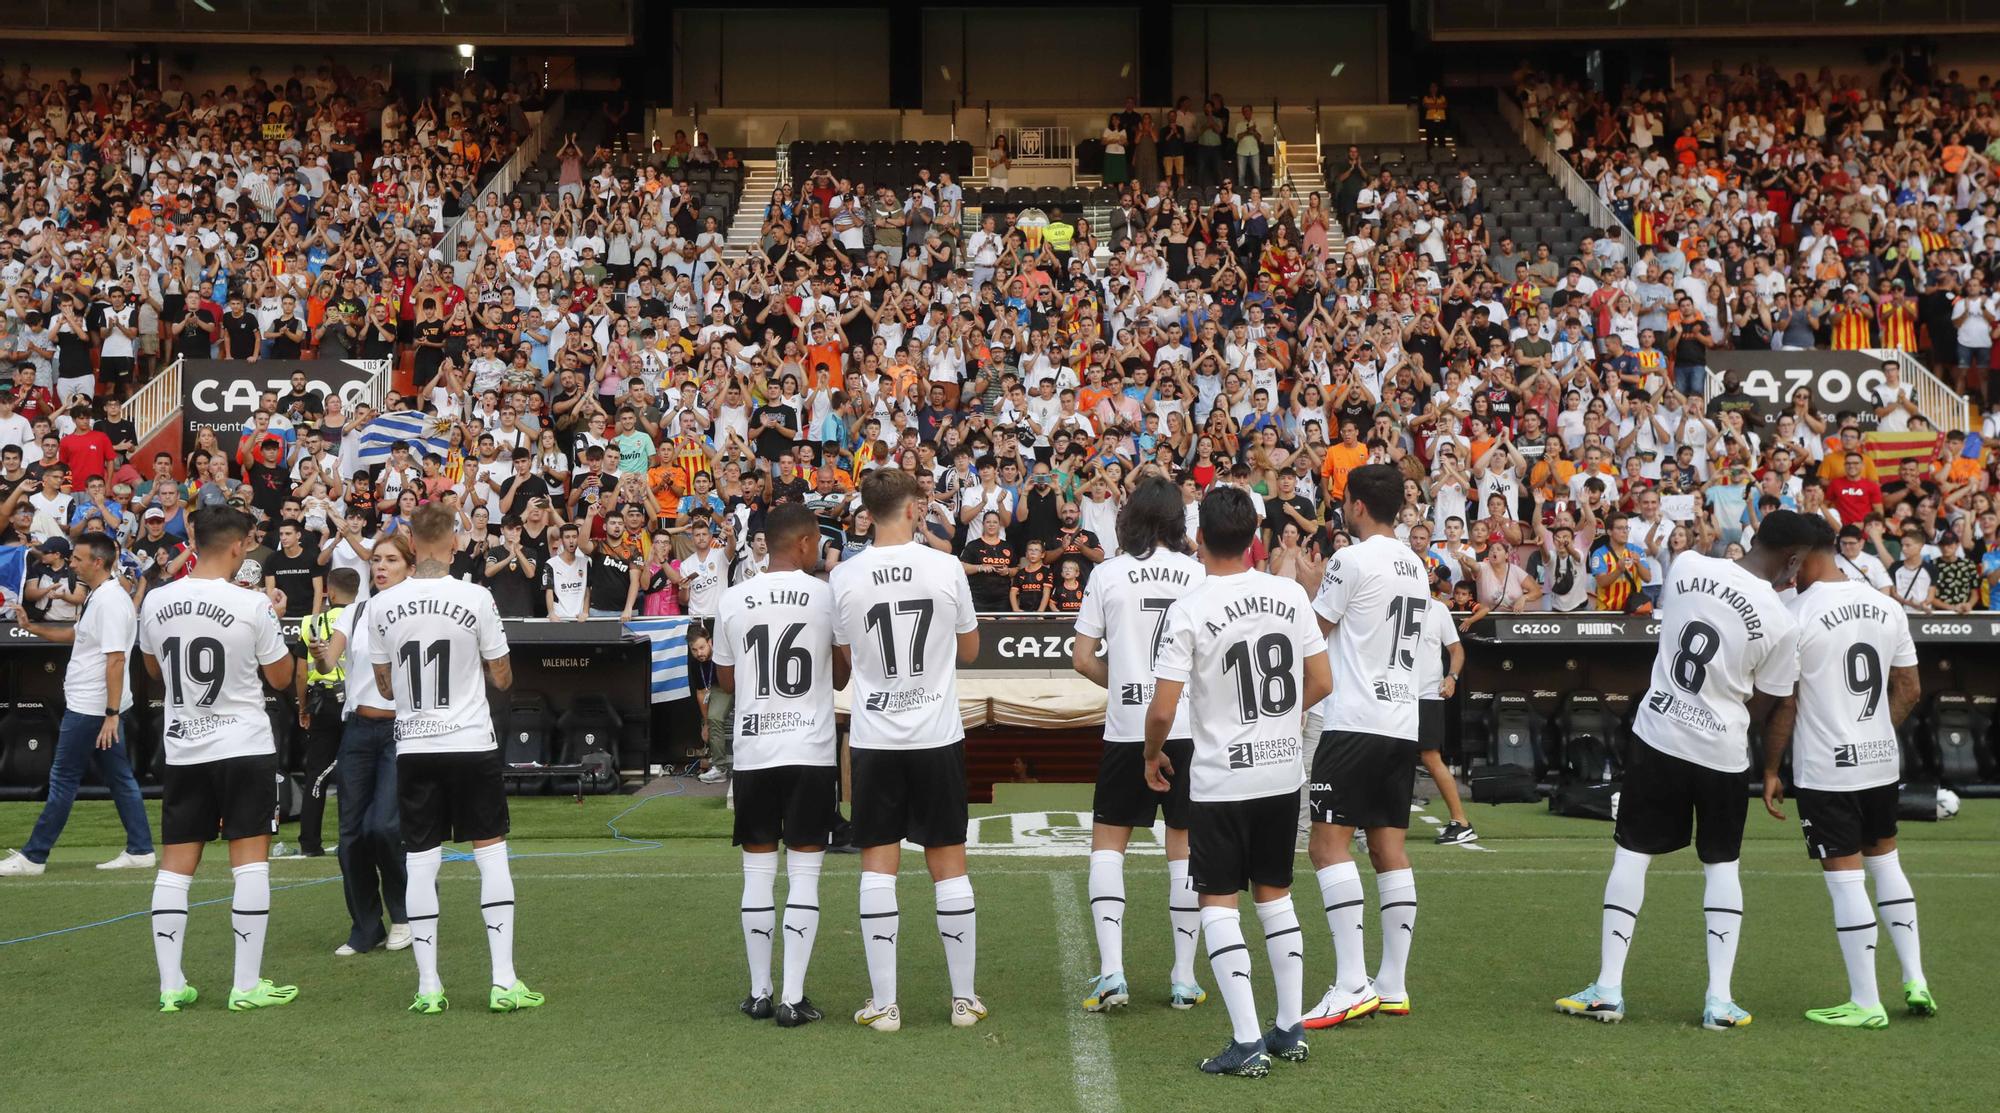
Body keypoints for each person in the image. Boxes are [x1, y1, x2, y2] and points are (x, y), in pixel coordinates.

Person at [1557, 510, 1821, 1030]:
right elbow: (1768, 702)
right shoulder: (1782, 621)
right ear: (1792, 560)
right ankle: (1719, 1001)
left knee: (1632, 855)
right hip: (1722, 750)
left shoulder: (1687, 566)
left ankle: (1608, 988)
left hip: (1659, 734)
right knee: (1722, 866)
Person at [1144, 485, 1332, 1077]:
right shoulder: (1289, 594)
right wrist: (1283, 720)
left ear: (1198, 538)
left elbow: (1162, 708)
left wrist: (1151, 754)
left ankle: (1248, 1041)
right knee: (1276, 894)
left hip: (1223, 776)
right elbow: (1322, 680)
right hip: (1281, 770)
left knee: (1219, 901)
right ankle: (1290, 1028)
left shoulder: (1190, 607)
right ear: (1256, 536)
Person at [369, 502, 541, 1015]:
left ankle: (428, 987)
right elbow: (502, 676)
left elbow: (385, 686)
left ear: (411, 544)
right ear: (453, 543)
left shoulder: (382, 605)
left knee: (421, 861)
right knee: (490, 854)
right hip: (469, 741)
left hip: (415, 745)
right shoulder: (476, 597)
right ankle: (503, 980)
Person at [1763, 525, 1933, 1029]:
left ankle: (1866, 1001)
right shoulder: (1886, 605)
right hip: (1880, 761)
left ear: (1801, 556)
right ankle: (1916, 979)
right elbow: (1910, 689)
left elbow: (1786, 703)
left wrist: (1770, 769)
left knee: (1845, 879)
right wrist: (1874, 731)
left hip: (1827, 768)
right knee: (1887, 862)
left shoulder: (1796, 613)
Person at [832, 469, 983, 1032]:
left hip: (875, 737)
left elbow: (845, 662)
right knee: (949, 864)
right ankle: (963, 1000)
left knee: (878, 865)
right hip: (936, 734)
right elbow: (970, 650)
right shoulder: (945, 567)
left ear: (867, 513)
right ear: (916, 508)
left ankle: (885, 1004)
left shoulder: (844, 575)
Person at [134, 509, 298, 1012]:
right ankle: (245, 985)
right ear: (237, 547)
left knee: (175, 868)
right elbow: (280, 678)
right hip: (243, 745)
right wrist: (273, 619)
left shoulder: (157, 600)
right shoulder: (252, 604)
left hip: (185, 747)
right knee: (249, 865)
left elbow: (153, 668)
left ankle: (171, 985)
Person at [1071, 476, 1209, 1013]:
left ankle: (1112, 973)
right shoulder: (1197, 574)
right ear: (1177, 519)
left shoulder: (1107, 573)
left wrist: (1129, 684)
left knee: (1109, 847)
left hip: (1129, 726)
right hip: (1189, 725)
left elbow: (1082, 658)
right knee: (1185, 850)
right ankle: (1183, 978)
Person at [1302, 463, 1431, 1026]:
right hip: (1400, 721)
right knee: (1387, 849)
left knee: (1326, 847)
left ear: (1356, 504)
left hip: (1354, 720)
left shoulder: (1350, 560)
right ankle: (1392, 984)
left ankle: (1352, 983)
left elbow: (1314, 633)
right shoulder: (1415, 564)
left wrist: (1310, 584)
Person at [712, 504, 848, 1028]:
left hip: (755, 750)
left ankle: (759, 992)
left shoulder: (732, 597)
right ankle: (792, 997)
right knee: (804, 875)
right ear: (807, 542)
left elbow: (726, 680)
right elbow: (841, 675)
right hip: (809, 750)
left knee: (758, 871)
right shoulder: (826, 595)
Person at [0, 533, 155, 877]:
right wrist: (32, 628)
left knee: (63, 779)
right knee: (120, 778)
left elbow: (116, 659)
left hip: (91, 709)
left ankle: (33, 856)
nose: (71, 563)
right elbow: (77, 634)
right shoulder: (101, 595)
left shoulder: (110, 601)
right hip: (97, 707)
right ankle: (141, 849)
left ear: (97, 562)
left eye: (78, 559)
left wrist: (111, 715)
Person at [311, 536, 413, 957]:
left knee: (384, 827)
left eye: (391, 560)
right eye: (377, 560)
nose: (381, 567)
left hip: (400, 731)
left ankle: (405, 914)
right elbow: (327, 663)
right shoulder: (354, 612)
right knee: (351, 834)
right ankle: (366, 927)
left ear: (410, 566)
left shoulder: (416, 611)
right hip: (356, 730)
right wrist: (319, 654)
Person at [294, 569, 355, 858]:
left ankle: (310, 843)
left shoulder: (312, 622)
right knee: (354, 774)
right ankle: (352, 840)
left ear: (329, 592)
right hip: (355, 705)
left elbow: (300, 673)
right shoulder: (363, 618)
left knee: (317, 773)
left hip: (322, 703)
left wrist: (302, 707)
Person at [1417, 595, 1476, 844]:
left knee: (1430, 756)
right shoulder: (1389, 598)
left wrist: (1452, 677)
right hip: (1396, 693)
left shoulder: (1438, 609)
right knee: (1389, 753)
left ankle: (1461, 822)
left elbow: (1456, 649)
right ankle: (1378, 821)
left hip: (1427, 693)